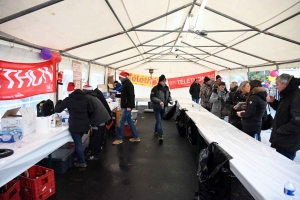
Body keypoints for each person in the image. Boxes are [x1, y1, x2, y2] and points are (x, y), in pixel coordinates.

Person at [55, 82, 93, 168]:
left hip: (75, 125)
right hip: (85, 124)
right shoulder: (86, 98)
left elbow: (57, 110)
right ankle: (77, 157)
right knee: (79, 141)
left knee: (78, 143)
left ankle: (82, 162)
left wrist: (59, 102)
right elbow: (91, 110)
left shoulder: (68, 99)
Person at [267, 74, 300, 160]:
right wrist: (273, 102)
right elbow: (283, 110)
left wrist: (280, 130)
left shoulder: (295, 96)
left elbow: (297, 121)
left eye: (277, 84)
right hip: (283, 139)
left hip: (288, 141)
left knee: (284, 167)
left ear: (284, 84)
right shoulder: (288, 94)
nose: (276, 87)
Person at [82, 84, 111, 161]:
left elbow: (90, 110)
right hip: (103, 117)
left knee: (96, 137)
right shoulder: (94, 95)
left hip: (99, 119)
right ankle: (96, 152)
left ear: (85, 90)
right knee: (100, 136)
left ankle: (95, 155)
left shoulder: (87, 97)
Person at [113, 71, 140, 145]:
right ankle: (136, 137)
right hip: (126, 106)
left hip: (127, 106)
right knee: (129, 121)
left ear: (123, 77)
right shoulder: (125, 84)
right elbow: (125, 95)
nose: (119, 78)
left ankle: (119, 139)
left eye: (120, 77)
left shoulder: (128, 84)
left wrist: (129, 106)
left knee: (121, 122)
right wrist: (116, 96)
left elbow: (131, 95)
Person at [150, 75, 173, 142]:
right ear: (160, 81)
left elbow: (169, 96)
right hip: (156, 107)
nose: (164, 82)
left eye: (165, 81)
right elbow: (152, 97)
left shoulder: (167, 88)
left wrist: (170, 100)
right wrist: (159, 101)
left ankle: (156, 131)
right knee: (159, 121)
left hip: (164, 107)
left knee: (158, 120)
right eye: (163, 81)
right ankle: (160, 135)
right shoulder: (155, 89)